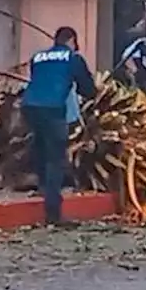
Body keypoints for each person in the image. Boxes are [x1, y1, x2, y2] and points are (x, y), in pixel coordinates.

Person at [21, 27, 97, 226]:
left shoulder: (37, 57)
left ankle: (43, 187)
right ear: (71, 40)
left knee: (40, 147)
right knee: (56, 159)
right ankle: (53, 213)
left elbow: (40, 81)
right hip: (53, 108)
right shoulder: (73, 58)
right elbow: (87, 89)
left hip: (29, 106)